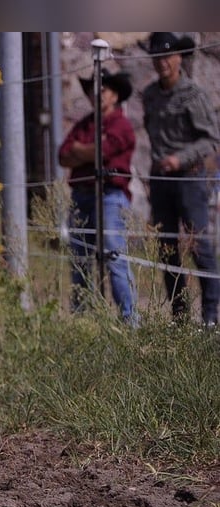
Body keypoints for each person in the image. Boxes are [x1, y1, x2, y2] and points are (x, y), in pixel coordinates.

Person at [141, 32, 220, 325]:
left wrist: (181, 158)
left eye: (167, 56)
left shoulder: (193, 94)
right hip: (161, 181)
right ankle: (180, 317)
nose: (162, 63)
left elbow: (210, 139)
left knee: (199, 246)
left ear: (178, 58)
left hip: (189, 178)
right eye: (157, 57)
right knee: (167, 249)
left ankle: (210, 316)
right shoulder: (149, 95)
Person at [59, 68, 138, 324]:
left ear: (114, 95)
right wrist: (91, 150)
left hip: (110, 196)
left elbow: (106, 150)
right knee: (80, 259)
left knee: (114, 257)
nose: (96, 94)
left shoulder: (122, 124)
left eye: (102, 89)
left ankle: (130, 320)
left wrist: (81, 151)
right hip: (81, 195)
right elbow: (63, 154)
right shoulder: (85, 124)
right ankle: (84, 319)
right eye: (93, 89)